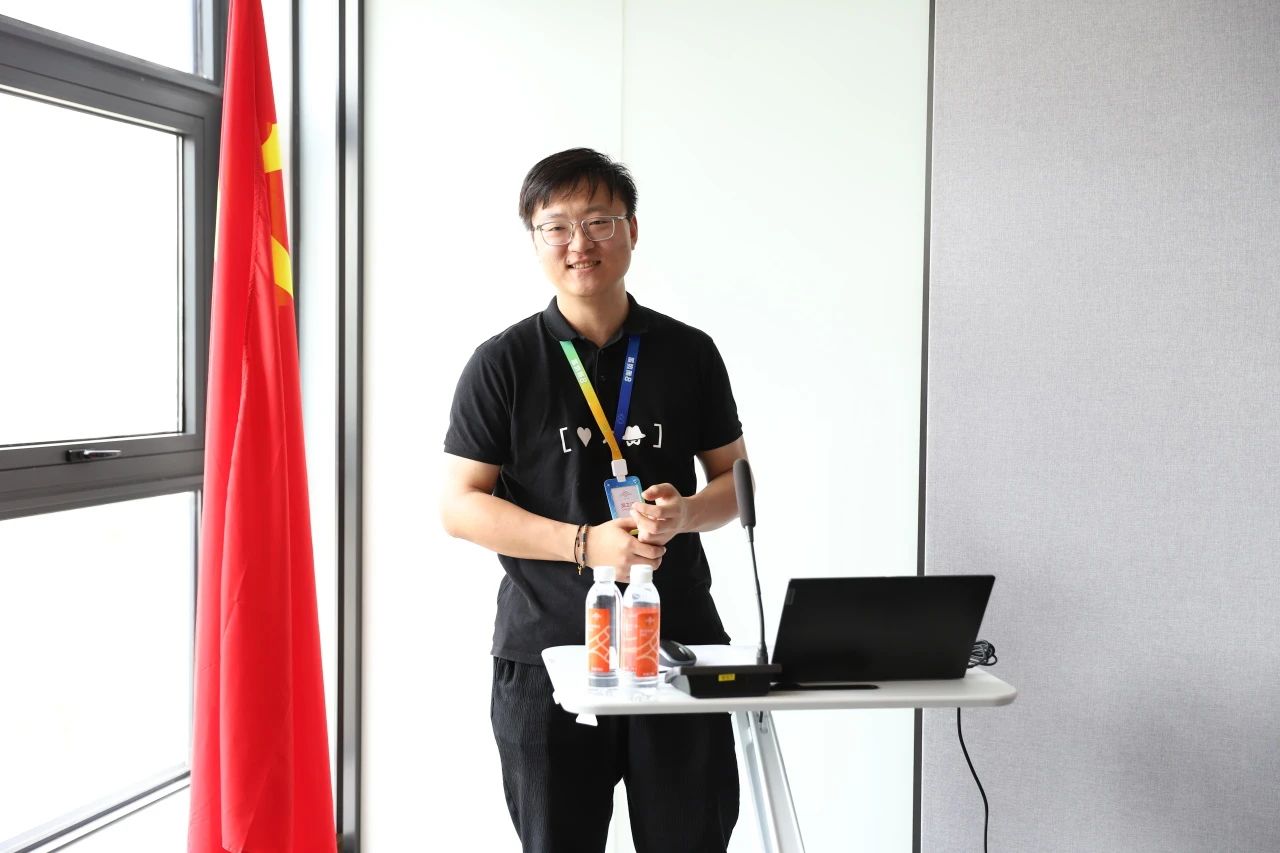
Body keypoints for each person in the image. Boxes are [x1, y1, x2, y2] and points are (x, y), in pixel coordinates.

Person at [440, 147, 747, 853]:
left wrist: (685, 512)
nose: (579, 243)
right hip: (547, 651)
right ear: (535, 239)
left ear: (631, 229)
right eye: (557, 226)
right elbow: (459, 505)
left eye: (599, 221)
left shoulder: (689, 352)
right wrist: (585, 544)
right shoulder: (503, 362)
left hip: (679, 650)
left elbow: (736, 484)